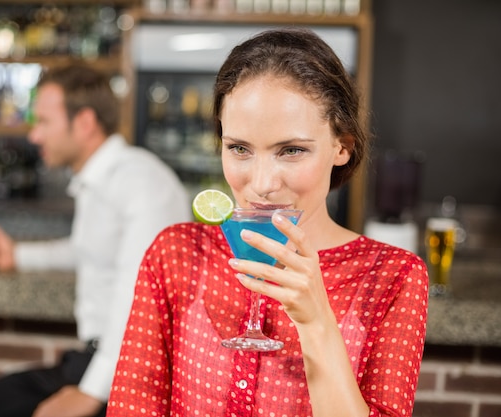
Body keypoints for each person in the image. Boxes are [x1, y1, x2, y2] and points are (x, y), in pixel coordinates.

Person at [106, 28, 428, 417]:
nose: (261, 184)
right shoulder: (176, 254)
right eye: (239, 149)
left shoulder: (393, 277)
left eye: (291, 150)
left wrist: (317, 324)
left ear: (341, 146)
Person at [0, 65, 191, 417]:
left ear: (84, 122)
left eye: (44, 122)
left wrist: (90, 392)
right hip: (92, 363)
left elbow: (140, 301)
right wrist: (18, 256)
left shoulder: (141, 182)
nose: (34, 135)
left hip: (129, 375)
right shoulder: (100, 178)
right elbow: (90, 249)